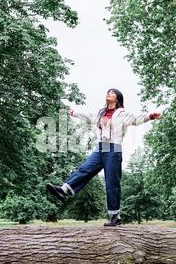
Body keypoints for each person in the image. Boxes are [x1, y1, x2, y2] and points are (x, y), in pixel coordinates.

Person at [46, 88, 162, 226]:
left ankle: (115, 217)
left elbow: (136, 119)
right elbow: (87, 115)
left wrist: (151, 116)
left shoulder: (122, 113)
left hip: (114, 148)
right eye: (108, 92)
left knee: (111, 183)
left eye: (112, 93)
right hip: (101, 147)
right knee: (85, 169)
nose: (109, 94)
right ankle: (63, 190)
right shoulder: (101, 112)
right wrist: (74, 113)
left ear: (117, 98)